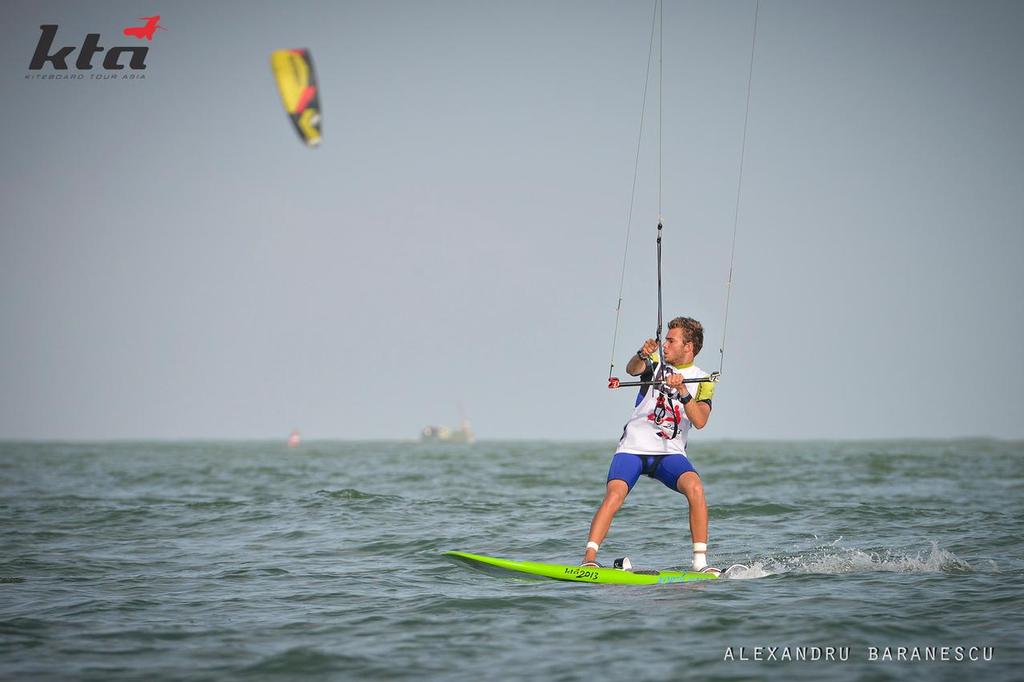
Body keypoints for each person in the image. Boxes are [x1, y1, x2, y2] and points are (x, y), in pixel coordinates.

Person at [582, 316, 718, 573]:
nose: (664, 345)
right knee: (615, 493)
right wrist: (641, 353)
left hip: (668, 454)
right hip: (633, 447)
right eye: (664, 340)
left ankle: (700, 565)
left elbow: (700, 421)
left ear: (688, 347)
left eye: (670, 340)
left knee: (696, 488)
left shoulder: (703, 380)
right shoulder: (656, 363)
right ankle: (589, 557)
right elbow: (632, 369)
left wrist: (684, 392)